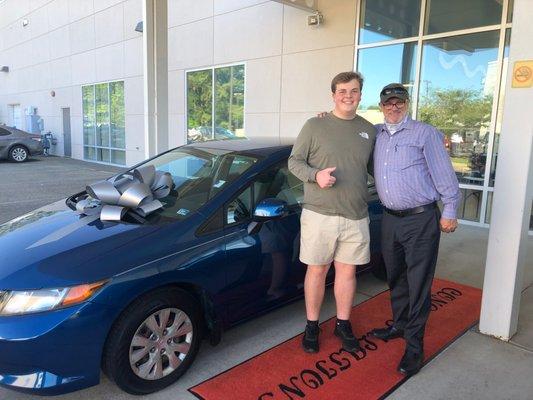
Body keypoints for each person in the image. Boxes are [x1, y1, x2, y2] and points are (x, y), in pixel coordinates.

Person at [369, 83, 461, 376]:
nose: (393, 107)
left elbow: (444, 174)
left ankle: (414, 347)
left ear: (406, 103)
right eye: (388, 103)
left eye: (399, 102)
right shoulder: (377, 134)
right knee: (395, 275)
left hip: (420, 219)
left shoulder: (425, 133)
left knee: (418, 281)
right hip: (390, 219)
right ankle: (399, 324)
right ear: (381, 106)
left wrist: (450, 210)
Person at [288, 71, 376, 353]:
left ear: (361, 95)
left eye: (353, 91)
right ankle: (312, 325)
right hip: (320, 213)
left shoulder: (369, 130)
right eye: (342, 91)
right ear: (333, 95)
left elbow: (376, 169)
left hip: (355, 214)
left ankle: (343, 323)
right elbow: (294, 162)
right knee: (317, 270)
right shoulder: (315, 125)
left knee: (347, 273)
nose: (348, 96)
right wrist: (316, 176)